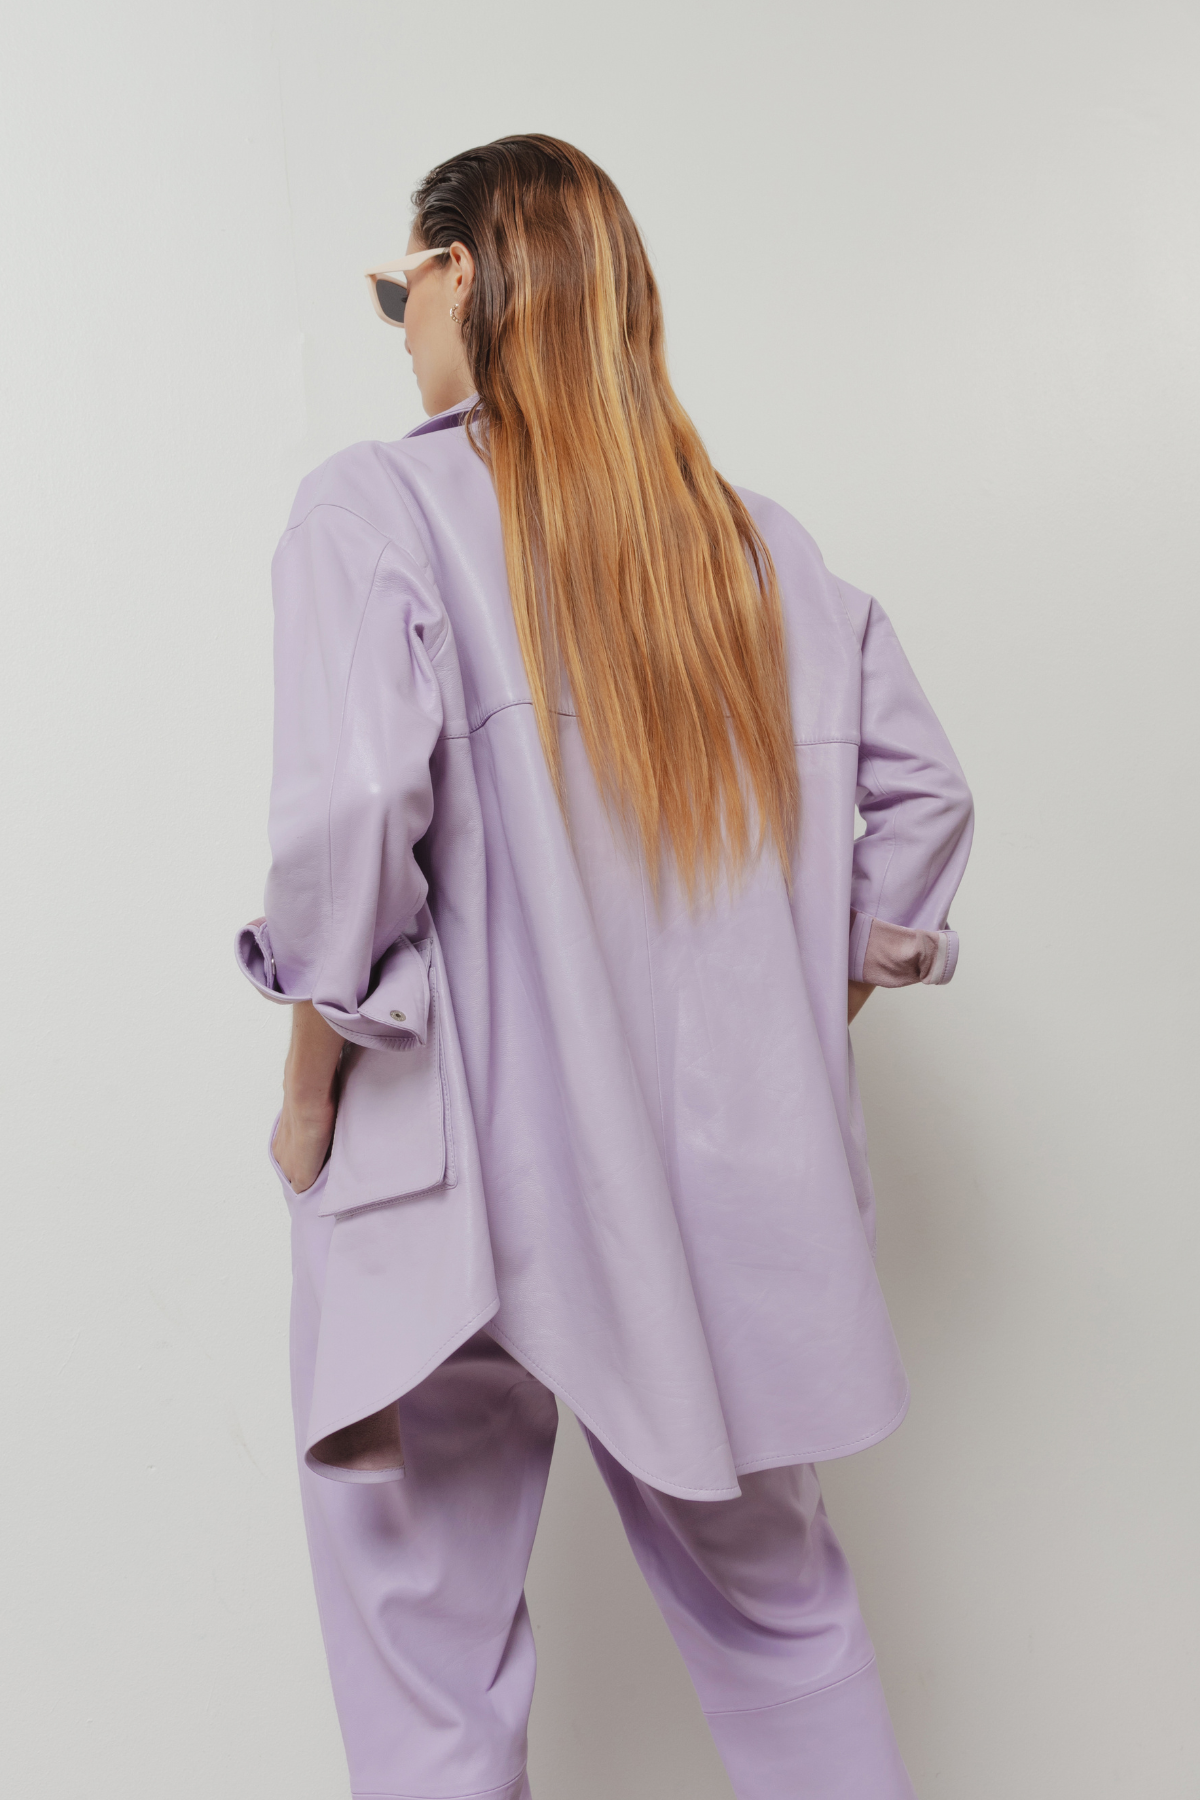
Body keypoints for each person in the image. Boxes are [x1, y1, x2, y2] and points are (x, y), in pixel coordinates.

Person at [235, 134, 972, 1800]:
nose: (400, 337)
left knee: (426, 1665)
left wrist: (307, 1091)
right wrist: (797, 1015)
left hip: (445, 1188)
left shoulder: (376, 507)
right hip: (700, 1203)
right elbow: (926, 800)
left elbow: (349, 828)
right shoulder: (756, 552)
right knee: (784, 1625)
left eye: (396, 296)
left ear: (459, 274)